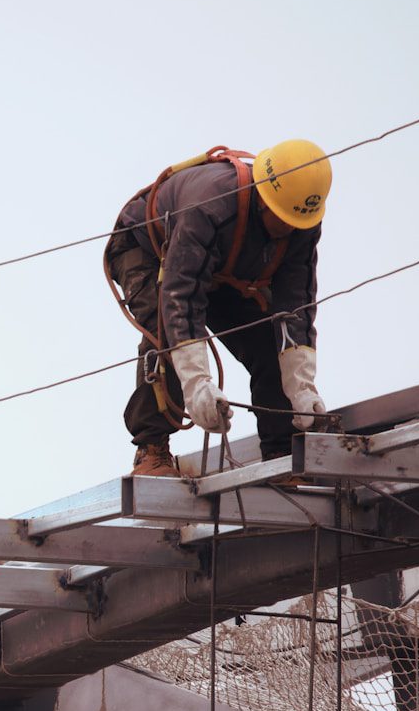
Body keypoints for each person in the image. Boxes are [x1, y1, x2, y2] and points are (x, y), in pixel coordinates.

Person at [102, 140, 333, 476]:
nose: (284, 229)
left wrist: (301, 387)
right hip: (147, 249)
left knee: (267, 344)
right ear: (262, 197)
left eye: (292, 224)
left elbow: (294, 308)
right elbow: (180, 300)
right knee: (164, 332)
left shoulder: (301, 220)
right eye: (279, 219)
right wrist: (198, 386)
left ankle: (282, 453)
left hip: (219, 267)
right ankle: (151, 449)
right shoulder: (212, 205)